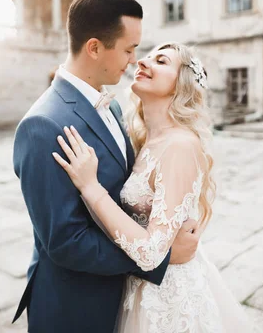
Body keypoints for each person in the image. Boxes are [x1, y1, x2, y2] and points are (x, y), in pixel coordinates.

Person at [11, 0, 200, 332]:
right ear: (95, 48)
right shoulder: (42, 125)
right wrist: (162, 258)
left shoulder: (112, 105)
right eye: (129, 49)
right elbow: (66, 243)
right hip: (75, 307)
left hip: (121, 297)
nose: (134, 60)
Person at [53, 41, 252, 332]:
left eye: (161, 61)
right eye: (146, 57)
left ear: (180, 83)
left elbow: (150, 252)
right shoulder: (145, 140)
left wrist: (91, 187)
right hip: (140, 291)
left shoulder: (181, 144)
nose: (142, 62)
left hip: (167, 300)